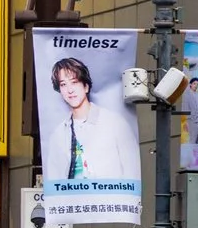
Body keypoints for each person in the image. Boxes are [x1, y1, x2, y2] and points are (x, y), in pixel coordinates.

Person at [39, 56, 138, 184]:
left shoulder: (114, 123)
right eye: (63, 84)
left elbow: (132, 172)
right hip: (74, 202)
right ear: (60, 91)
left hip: (109, 201)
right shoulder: (58, 135)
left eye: (74, 82)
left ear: (85, 86)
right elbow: (54, 182)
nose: (70, 90)